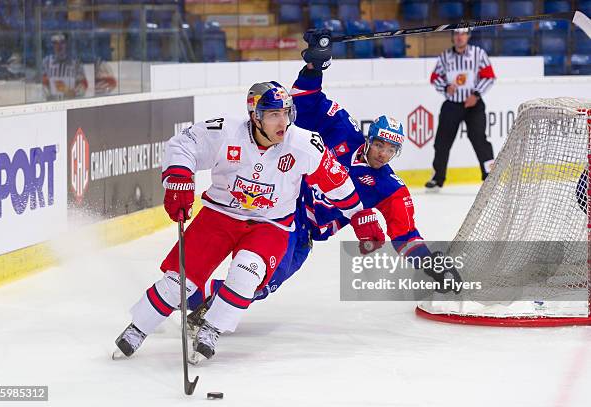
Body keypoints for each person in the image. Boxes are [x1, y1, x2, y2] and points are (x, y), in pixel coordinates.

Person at [189, 29, 462, 324]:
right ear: (369, 138)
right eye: (380, 144)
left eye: (390, 149)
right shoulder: (343, 129)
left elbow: (405, 235)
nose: (383, 154)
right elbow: (307, 101)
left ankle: (194, 299)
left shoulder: (389, 188)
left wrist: (431, 264)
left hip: (307, 234)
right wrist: (315, 66)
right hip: (286, 208)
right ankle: (191, 302)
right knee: (260, 271)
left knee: (264, 285)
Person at [114, 81, 384, 364]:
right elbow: (184, 144)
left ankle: (212, 329)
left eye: (286, 112)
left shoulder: (304, 144)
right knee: (178, 283)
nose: (284, 121)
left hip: (271, 225)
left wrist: (358, 215)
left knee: (247, 275)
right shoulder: (226, 132)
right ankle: (137, 328)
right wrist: (179, 178)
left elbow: (337, 182)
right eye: (274, 115)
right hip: (219, 216)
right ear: (255, 116)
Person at [425, 27, 497, 191]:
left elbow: (489, 76)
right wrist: (445, 87)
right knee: (442, 142)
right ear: (452, 37)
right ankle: (437, 177)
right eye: (456, 34)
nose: (459, 37)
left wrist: (476, 94)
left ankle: (489, 176)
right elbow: (435, 77)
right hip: (452, 104)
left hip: (474, 104)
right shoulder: (445, 57)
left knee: (480, 139)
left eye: (463, 33)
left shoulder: (478, 54)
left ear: (468, 36)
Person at [41, 32, 88, 101]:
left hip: (71, 104)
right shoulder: (46, 62)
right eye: (55, 43)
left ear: (67, 44)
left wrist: (75, 93)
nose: (59, 46)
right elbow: (42, 85)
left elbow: (83, 84)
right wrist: (48, 96)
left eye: (62, 42)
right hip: (52, 105)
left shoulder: (75, 63)